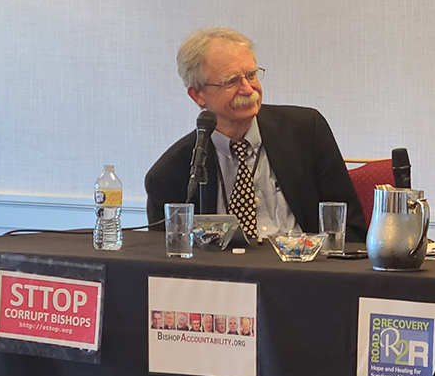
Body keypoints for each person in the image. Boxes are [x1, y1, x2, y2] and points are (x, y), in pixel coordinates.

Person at [145, 26, 366, 244]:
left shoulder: (306, 131)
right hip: (224, 278)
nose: (248, 89)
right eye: (231, 81)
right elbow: (168, 260)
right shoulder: (171, 174)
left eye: (251, 75)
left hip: (303, 270)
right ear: (197, 94)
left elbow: (350, 229)